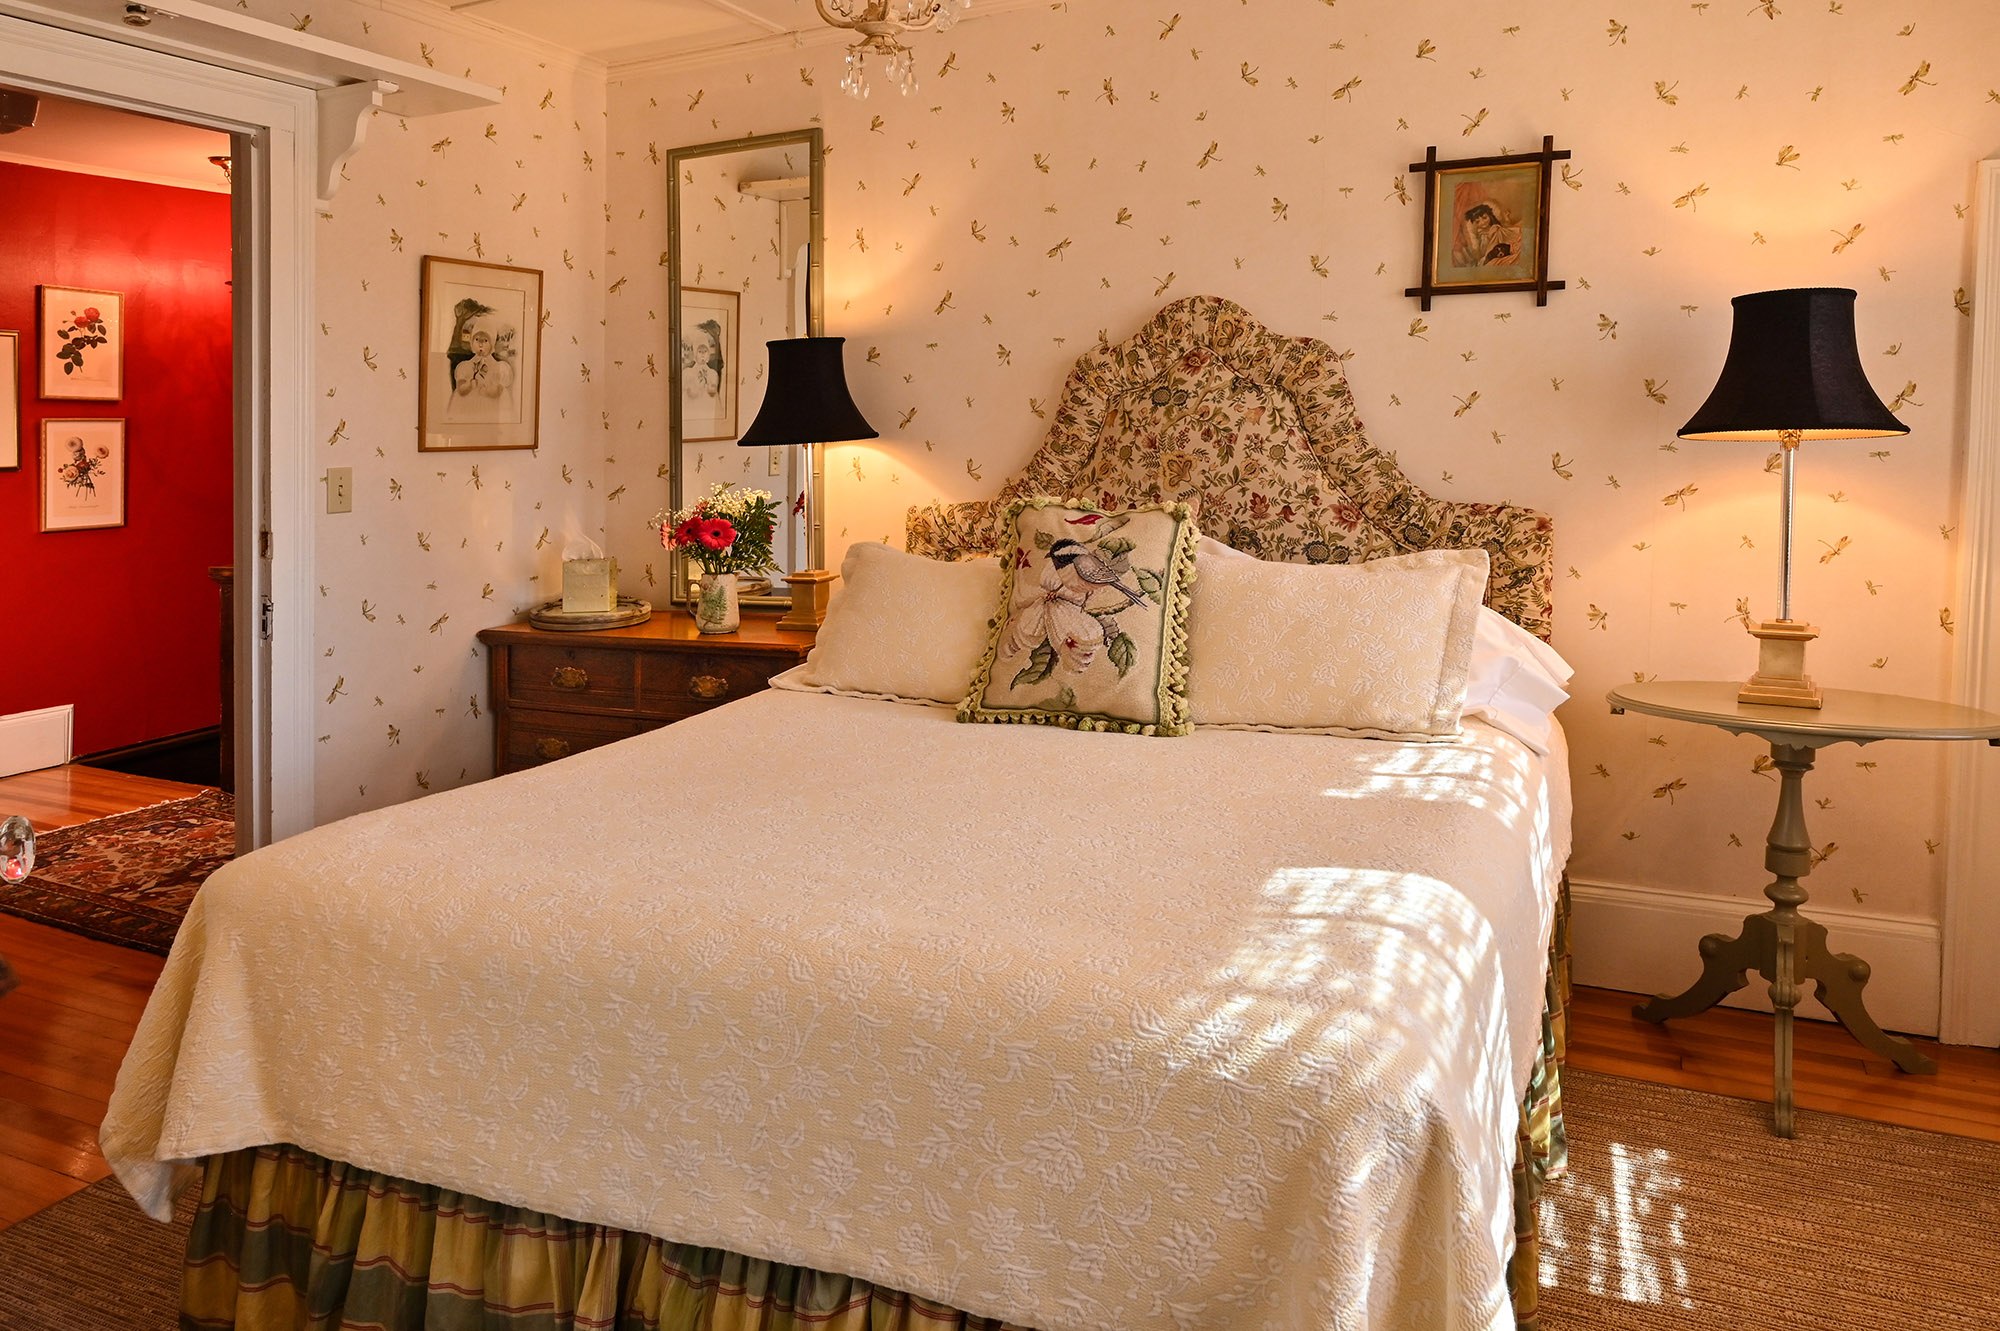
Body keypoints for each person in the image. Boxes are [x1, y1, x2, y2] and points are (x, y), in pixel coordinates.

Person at [446, 311, 518, 422]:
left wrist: (489, 391)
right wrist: (469, 385)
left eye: (485, 341)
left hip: (490, 408)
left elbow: (499, 390)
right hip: (468, 408)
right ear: (472, 343)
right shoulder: (465, 367)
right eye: (477, 340)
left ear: (492, 344)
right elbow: (461, 389)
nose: (480, 344)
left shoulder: (498, 368)